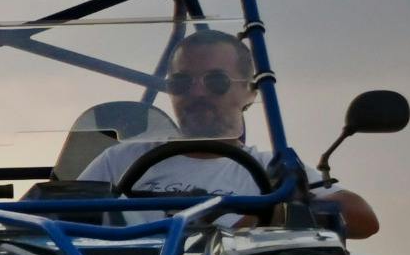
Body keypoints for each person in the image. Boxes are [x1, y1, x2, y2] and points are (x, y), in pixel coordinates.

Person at [84, 28, 379, 238]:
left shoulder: (271, 171)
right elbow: (50, 219)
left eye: (216, 81)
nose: (197, 93)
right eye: (181, 83)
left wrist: (261, 218)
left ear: (249, 92)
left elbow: (362, 218)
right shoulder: (119, 160)